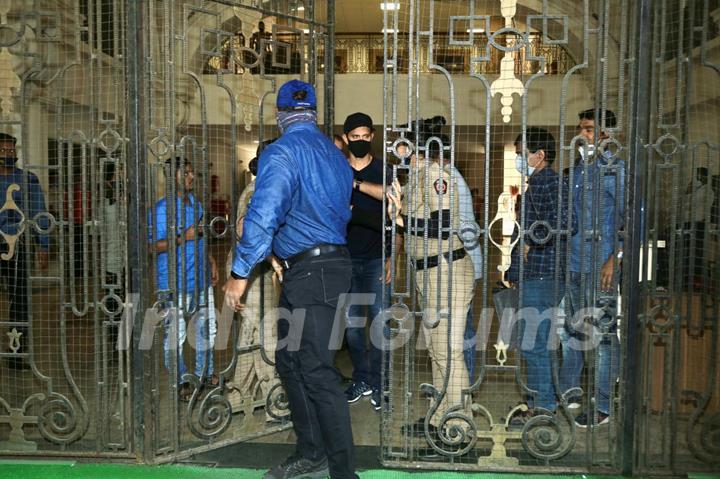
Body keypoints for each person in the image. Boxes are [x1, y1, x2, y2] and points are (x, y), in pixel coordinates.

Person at [223, 80, 358, 479]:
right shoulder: (336, 157)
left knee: (316, 370)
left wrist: (239, 274)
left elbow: (264, 216)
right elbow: (336, 214)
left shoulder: (282, 152)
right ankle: (311, 451)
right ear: (313, 113)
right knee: (290, 360)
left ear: (280, 115)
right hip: (323, 268)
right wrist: (284, 251)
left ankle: (344, 472)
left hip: (313, 273)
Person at [387, 136, 474, 443]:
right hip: (431, 272)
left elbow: (442, 226)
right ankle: (440, 418)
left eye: (401, 144)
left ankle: (459, 426)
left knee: (448, 351)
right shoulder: (416, 179)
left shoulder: (437, 175)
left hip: (447, 271)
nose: (396, 150)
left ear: (416, 149)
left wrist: (399, 217)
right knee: (436, 350)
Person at [564, 108, 625, 428]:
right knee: (574, 330)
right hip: (574, 262)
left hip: (600, 265)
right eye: (580, 129)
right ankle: (571, 393)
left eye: (588, 130)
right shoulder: (580, 168)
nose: (582, 135)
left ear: (605, 134)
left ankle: (603, 406)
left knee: (602, 337)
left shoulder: (615, 168)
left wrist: (614, 259)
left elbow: (628, 218)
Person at [505, 127, 566, 424]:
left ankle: (542, 408)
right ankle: (543, 400)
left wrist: (531, 241)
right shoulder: (537, 182)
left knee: (533, 342)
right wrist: (516, 269)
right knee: (539, 340)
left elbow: (562, 223)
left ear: (539, 155)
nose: (519, 158)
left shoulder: (549, 183)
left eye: (521, 154)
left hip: (543, 272)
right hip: (534, 272)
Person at [149, 157, 219, 401]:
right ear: (172, 177)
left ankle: (203, 376)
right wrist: (183, 237)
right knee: (175, 337)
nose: (191, 177)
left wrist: (210, 259)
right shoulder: (161, 210)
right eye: (186, 173)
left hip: (199, 280)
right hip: (174, 283)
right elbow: (152, 247)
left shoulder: (196, 205)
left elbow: (200, 235)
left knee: (207, 331)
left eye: (192, 173)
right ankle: (180, 382)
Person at [226, 139, 281, 422]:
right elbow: (245, 230)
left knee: (250, 334)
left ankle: (237, 396)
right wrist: (270, 257)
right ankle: (275, 401)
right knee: (266, 334)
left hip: (253, 272)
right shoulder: (256, 192)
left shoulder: (262, 189)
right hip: (250, 274)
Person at [341, 112, 391, 410]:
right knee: (353, 327)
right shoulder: (335, 169)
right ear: (346, 138)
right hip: (345, 259)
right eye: (354, 136)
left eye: (364, 136)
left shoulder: (383, 170)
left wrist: (391, 257)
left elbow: (394, 206)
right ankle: (363, 378)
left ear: (371, 136)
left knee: (381, 324)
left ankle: (381, 384)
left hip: (375, 258)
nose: (360, 141)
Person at [0, 132, 49, 369]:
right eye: (3, 151)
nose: (9, 155)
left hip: (18, 244)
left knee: (19, 298)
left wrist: (43, 244)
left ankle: (17, 348)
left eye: (11, 151)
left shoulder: (27, 180)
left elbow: (39, 212)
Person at [437, 137, 483, 384]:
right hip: (458, 263)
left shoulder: (448, 181)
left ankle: (465, 387)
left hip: (460, 264)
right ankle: (460, 385)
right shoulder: (450, 177)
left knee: (460, 330)